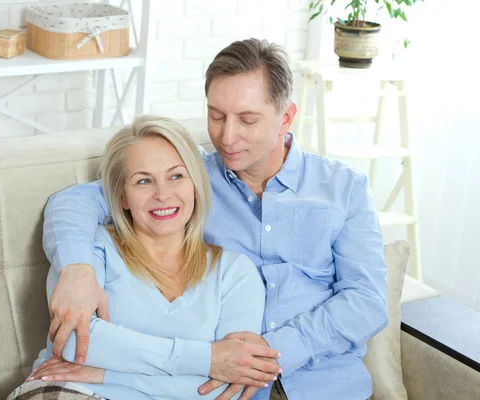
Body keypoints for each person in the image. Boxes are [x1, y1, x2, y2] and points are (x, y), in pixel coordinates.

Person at [38, 39, 388, 400]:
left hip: (322, 384)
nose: (226, 136)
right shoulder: (187, 181)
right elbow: (74, 201)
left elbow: (366, 301)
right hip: (211, 384)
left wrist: (263, 354)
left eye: (247, 119)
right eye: (216, 116)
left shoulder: (344, 188)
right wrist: (76, 267)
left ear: (285, 117)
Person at [27, 116, 277, 400]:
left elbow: (227, 384)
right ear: (122, 197)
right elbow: (74, 343)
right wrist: (207, 360)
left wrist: (108, 374)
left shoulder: (235, 272)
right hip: (75, 392)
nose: (162, 194)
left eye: (176, 176)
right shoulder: (89, 251)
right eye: (143, 181)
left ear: (195, 185)